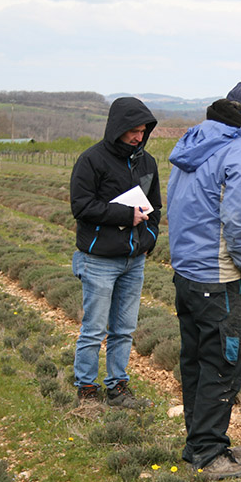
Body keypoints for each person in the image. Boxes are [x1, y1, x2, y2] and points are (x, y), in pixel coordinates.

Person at [167, 82, 241, 479]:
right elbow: (240, 220)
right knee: (222, 364)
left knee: (195, 360)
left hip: (187, 272)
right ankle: (210, 453)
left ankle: (199, 444)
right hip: (220, 277)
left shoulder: (194, 139)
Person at [70, 97, 161, 408]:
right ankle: (86, 391)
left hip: (133, 260)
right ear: (117, 128)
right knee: (94, 329)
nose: (138, 136)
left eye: (143, 130)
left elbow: (156, 208)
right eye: (132, 130)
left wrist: (148, 239)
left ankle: (118, 389)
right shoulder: (91, 160)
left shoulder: (147, 163)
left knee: (124, 329)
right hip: (98, 260)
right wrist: (125, 216)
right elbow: (81, 207)